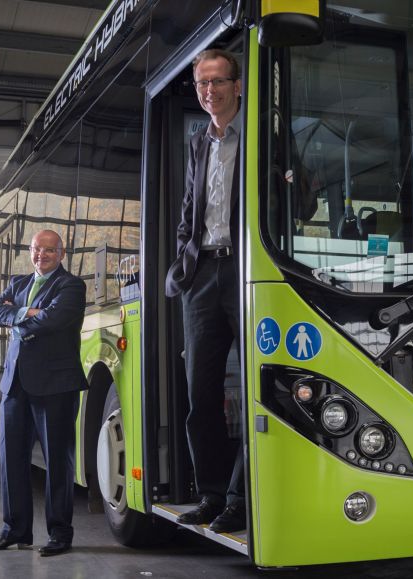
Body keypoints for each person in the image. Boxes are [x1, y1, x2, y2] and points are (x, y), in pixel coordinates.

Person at [164, 48, 246, 534]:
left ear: (237, 85)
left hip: (246, 269)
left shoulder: (261, 137)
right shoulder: (199, 142)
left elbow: (301, 195)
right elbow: (188, 212)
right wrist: (182, 265)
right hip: (201, 275)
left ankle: (238, 497)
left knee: (260, 391)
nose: (209, 91)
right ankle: (212, 494)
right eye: (201, 85)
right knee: (201, 396)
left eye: (217, 82)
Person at [0, 229, 87, 557]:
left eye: (50, 251)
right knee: (12, 461)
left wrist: (17, 317)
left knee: (57, 462)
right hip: (15, 386)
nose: (42, 256)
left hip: (55, 387)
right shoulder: (18, 283)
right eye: (38, 250)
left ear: (61, 254)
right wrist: (27, 313)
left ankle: (60, 534)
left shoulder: (71, 286)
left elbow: (53, 321)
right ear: (30, 250)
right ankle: (15, 531)